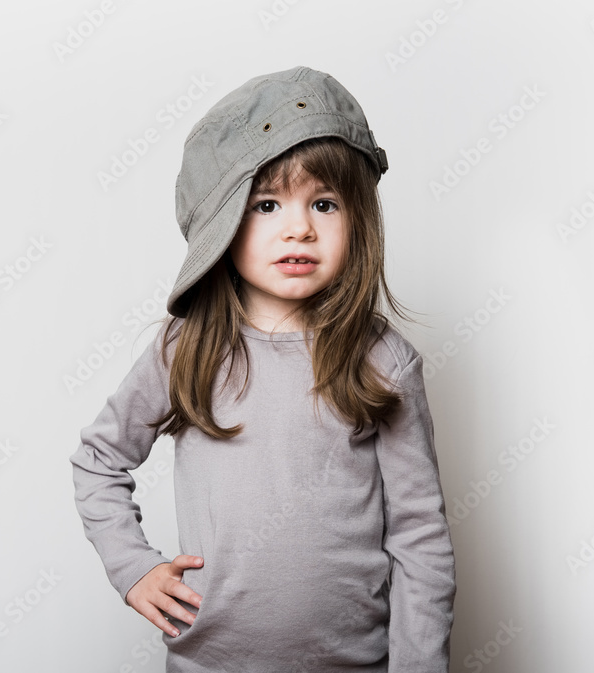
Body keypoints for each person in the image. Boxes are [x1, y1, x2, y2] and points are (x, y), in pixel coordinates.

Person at [70, 65, 456, 673]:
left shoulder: (384, 361)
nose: (299, 227)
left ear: (358, 219)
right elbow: (99, 459)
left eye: (324, 203)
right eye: (267, 204)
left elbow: (420, 538)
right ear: (222, 223)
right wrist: (133, 566)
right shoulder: (187, 347)